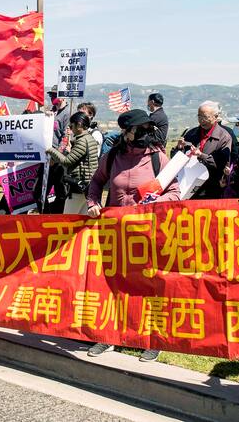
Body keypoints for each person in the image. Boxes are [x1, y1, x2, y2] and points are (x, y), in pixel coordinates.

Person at [85, 109, 179, 360]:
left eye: (148, 128)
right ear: (127, 133)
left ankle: (152, 339)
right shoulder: (113, 156)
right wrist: (93, 202)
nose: (147, 133)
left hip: (146, 234)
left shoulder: (158, 157)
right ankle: (109, 336)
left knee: (149, 285)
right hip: (115, 234)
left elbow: (175, 192)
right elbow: (96, 182)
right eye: (141, 129)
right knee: (113, 283)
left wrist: (153, 205)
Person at [173, 101, 232, 199]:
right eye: (199, 116)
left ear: (216, 117)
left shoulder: (224, 137)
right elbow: (177, 160)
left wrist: (201, 155)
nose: (201, 120)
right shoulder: (191, 134)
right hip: (188, 185)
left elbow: (221, 163)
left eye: (205, 117)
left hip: (211, 187)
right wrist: (179, 148)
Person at [47, 112, 100, 215]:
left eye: (71, 126)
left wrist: (50, 150)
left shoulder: (82, 141)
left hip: (78, 188)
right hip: (88, 187)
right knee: (82, 221)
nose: (71, 129)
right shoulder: (89, 138)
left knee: (68, 220)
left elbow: (67, 162)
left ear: (79, 124)